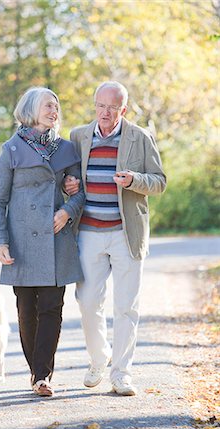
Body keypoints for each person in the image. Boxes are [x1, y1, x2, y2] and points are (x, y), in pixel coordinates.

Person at [65, 81, 166, 396]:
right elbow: (69, 179)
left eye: (112, 107)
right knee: (87, 302)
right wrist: (69, 186)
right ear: (94, 105)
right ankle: (99, 358)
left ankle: (121, 373)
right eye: (100, 105)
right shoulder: (78, 136)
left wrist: (135, 180)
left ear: (123, 109)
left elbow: (159, 181)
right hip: (88, 233)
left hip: (126, 234)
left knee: (126, 307)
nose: (105, 113)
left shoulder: (140, 137)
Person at [0, 87, 84, 397]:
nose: (54, 110)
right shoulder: (12, 150)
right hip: (22, 240)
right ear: (31, 109)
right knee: (26, 309)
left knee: (52, 307)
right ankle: (35, 371)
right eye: (48, 105)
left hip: (55, 237)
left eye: (57, 105)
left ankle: (43, 375)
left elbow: (79, 190)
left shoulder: (66, 149)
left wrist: (67, 211)